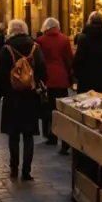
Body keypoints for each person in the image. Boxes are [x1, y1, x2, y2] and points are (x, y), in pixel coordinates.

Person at [0, 19, 47, 181]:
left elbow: (0, 74)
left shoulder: (6, 49)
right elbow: (43, 70)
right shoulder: (35, 48)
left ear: (10, 31)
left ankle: (13, 167)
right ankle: (26, 170)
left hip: (12, 96)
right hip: (30, 95)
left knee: (13, 134)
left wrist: (0, 92)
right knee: (28, 134)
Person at [36, 18, 74, 154]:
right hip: (61, 78)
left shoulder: (40, 40)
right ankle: (64, 141)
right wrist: (70, 73)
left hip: (47, 79)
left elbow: (38, 61)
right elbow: (69, 59)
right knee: (62, 110)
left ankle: (51, 136)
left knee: (48, 108)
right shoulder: (65, 39)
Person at [73, 11, 102, 93]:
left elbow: (77, 61)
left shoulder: (83, 40)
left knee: (84, 103)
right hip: (101, 79)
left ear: (90, 22)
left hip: (85, 79)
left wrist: (78, 76)